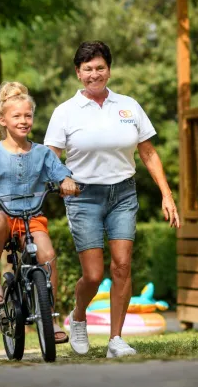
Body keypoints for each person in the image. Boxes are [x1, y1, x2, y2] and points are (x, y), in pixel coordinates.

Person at [44, 40, 180, 358]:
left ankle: (115, 340)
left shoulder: (128, 106)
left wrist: (167, 194)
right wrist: (60, 180)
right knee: (93, 274)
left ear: (109, 70)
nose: (95, 74)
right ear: (78, 73)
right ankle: (78, 317)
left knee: (121, 266)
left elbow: (148, 152)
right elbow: (50, 157)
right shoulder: (65, 112)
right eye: (88, 69)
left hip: (123, 193)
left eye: (100, 68)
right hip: (83, 196)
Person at [0, 81, 78, 344]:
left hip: (31, 216)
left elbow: (61, 174)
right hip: (0, 214)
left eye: (28, 115)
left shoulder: (42, 153)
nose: (24, 120)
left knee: (48, 256)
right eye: (17, 116)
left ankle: (50, 316)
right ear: (3, 120)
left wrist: (66, 183)